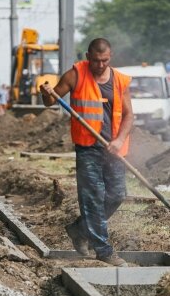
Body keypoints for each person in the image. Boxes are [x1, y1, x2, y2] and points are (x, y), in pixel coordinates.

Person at [40, 38, 134, 267]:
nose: (100, 65)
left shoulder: (119, 80)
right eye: (95, 60)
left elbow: (129, 115)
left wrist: (119, 139)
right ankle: (103, 250)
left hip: (113, 148)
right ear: (88, 56)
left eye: (105, 61)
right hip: (87, 148)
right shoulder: (75, 75)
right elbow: (50, 101)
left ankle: (79, 230)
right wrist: (46, 91)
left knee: (117, 194)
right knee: (92, 198)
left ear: (110, 57)